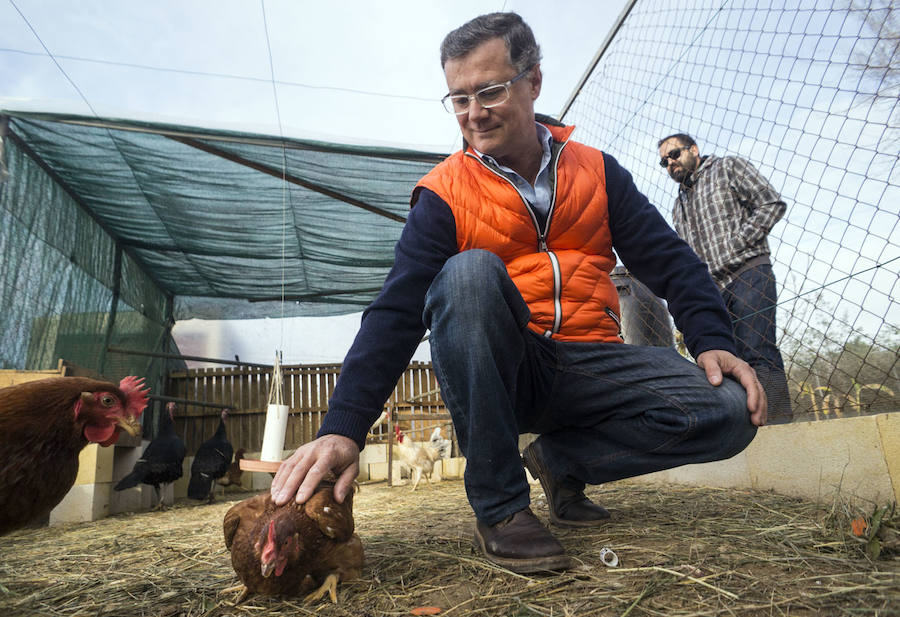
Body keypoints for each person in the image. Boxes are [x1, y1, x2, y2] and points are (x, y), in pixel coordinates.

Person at [271, 12, 766, 574]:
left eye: (489, 91)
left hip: (595, 364)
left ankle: (561, 461)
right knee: (469, 274)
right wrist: (343, 427)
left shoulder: (599, 172)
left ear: (533, 81)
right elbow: (395, 311)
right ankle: (502, 508)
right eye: (459, 99)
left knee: (731, 409)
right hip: (509, 367)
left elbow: (673, 262)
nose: (474, 114)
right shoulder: (443, 193)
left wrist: (711, 338)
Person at [657, 133, 792, 421]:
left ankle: (780, 427)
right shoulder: (678, 204)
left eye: (675, 154)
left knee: (758, 350)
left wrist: (737, 243)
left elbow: (771, 204)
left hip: (748, 271)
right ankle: (747, 432)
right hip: (712, 289)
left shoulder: (728, 167)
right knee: (727, 360)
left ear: (693, 149)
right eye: (664, 161)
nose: (670, 163)